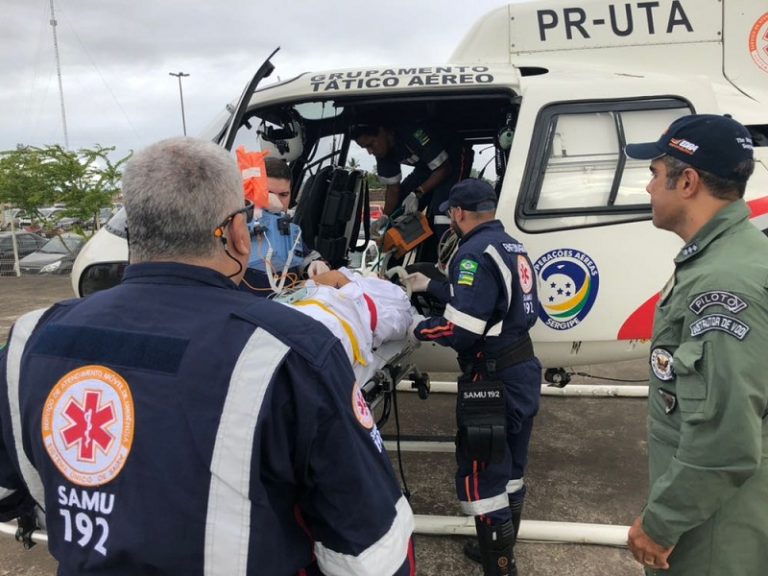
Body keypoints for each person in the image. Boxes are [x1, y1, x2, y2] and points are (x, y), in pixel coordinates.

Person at [0, 137, 415, 576]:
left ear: (133, 230)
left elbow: (12, 493)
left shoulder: (29, 339)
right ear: (238, 234)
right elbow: (371, 556)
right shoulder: (289, 351)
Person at [624, 114, 767, 574]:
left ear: (686, 181)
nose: (648, 188)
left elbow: (725, 438)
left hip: (713, 536)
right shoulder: (732, 255)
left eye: (654, 174)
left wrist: (661, 523)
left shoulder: (724, 282)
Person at [404, 179, 541, 576]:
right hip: (522, 369)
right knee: (511, 469)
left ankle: (500, 566)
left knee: (482, 480)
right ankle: (498, 550)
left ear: (459, 214)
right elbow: (491, 300)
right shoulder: (510, 246)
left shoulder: (471, 252)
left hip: (491, 379)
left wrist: (415, 326)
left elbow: (462, 330)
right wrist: (434, 285)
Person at [351, 122, 473, 262]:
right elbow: (393, 189)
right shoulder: (383, 153)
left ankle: (446, 268)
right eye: (365, 148)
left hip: (452, 159)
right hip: (425, 168)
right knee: (397, 217)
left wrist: (418, 193)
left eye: (370, 144)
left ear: (383, 131)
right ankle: (391, 274)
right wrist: (385, 216)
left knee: (442, 215)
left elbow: (444, 169)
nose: (370, 152)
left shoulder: (411, 132)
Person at [241, 156, 329, 296]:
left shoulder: (287, 229)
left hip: (286, 307)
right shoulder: (232, 227)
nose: (278, 202)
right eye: (268, 194)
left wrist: (314, 264)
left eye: (284, 194)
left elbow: (304, 256)